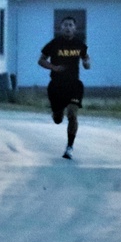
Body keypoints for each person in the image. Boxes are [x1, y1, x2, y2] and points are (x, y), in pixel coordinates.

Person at [38, 16, 91, 159]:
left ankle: (69, 147)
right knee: (58, 119)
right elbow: (41, 60)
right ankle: (56, 111)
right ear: (61, 28)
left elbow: (86, 58)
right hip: (56, 85)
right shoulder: (54, 44)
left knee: (72, 115)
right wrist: (53, 67)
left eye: (71, 25)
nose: (68, 27)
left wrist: (87, 63)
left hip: (74, 85)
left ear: (75, 28)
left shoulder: (79, 44)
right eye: (65, 25)